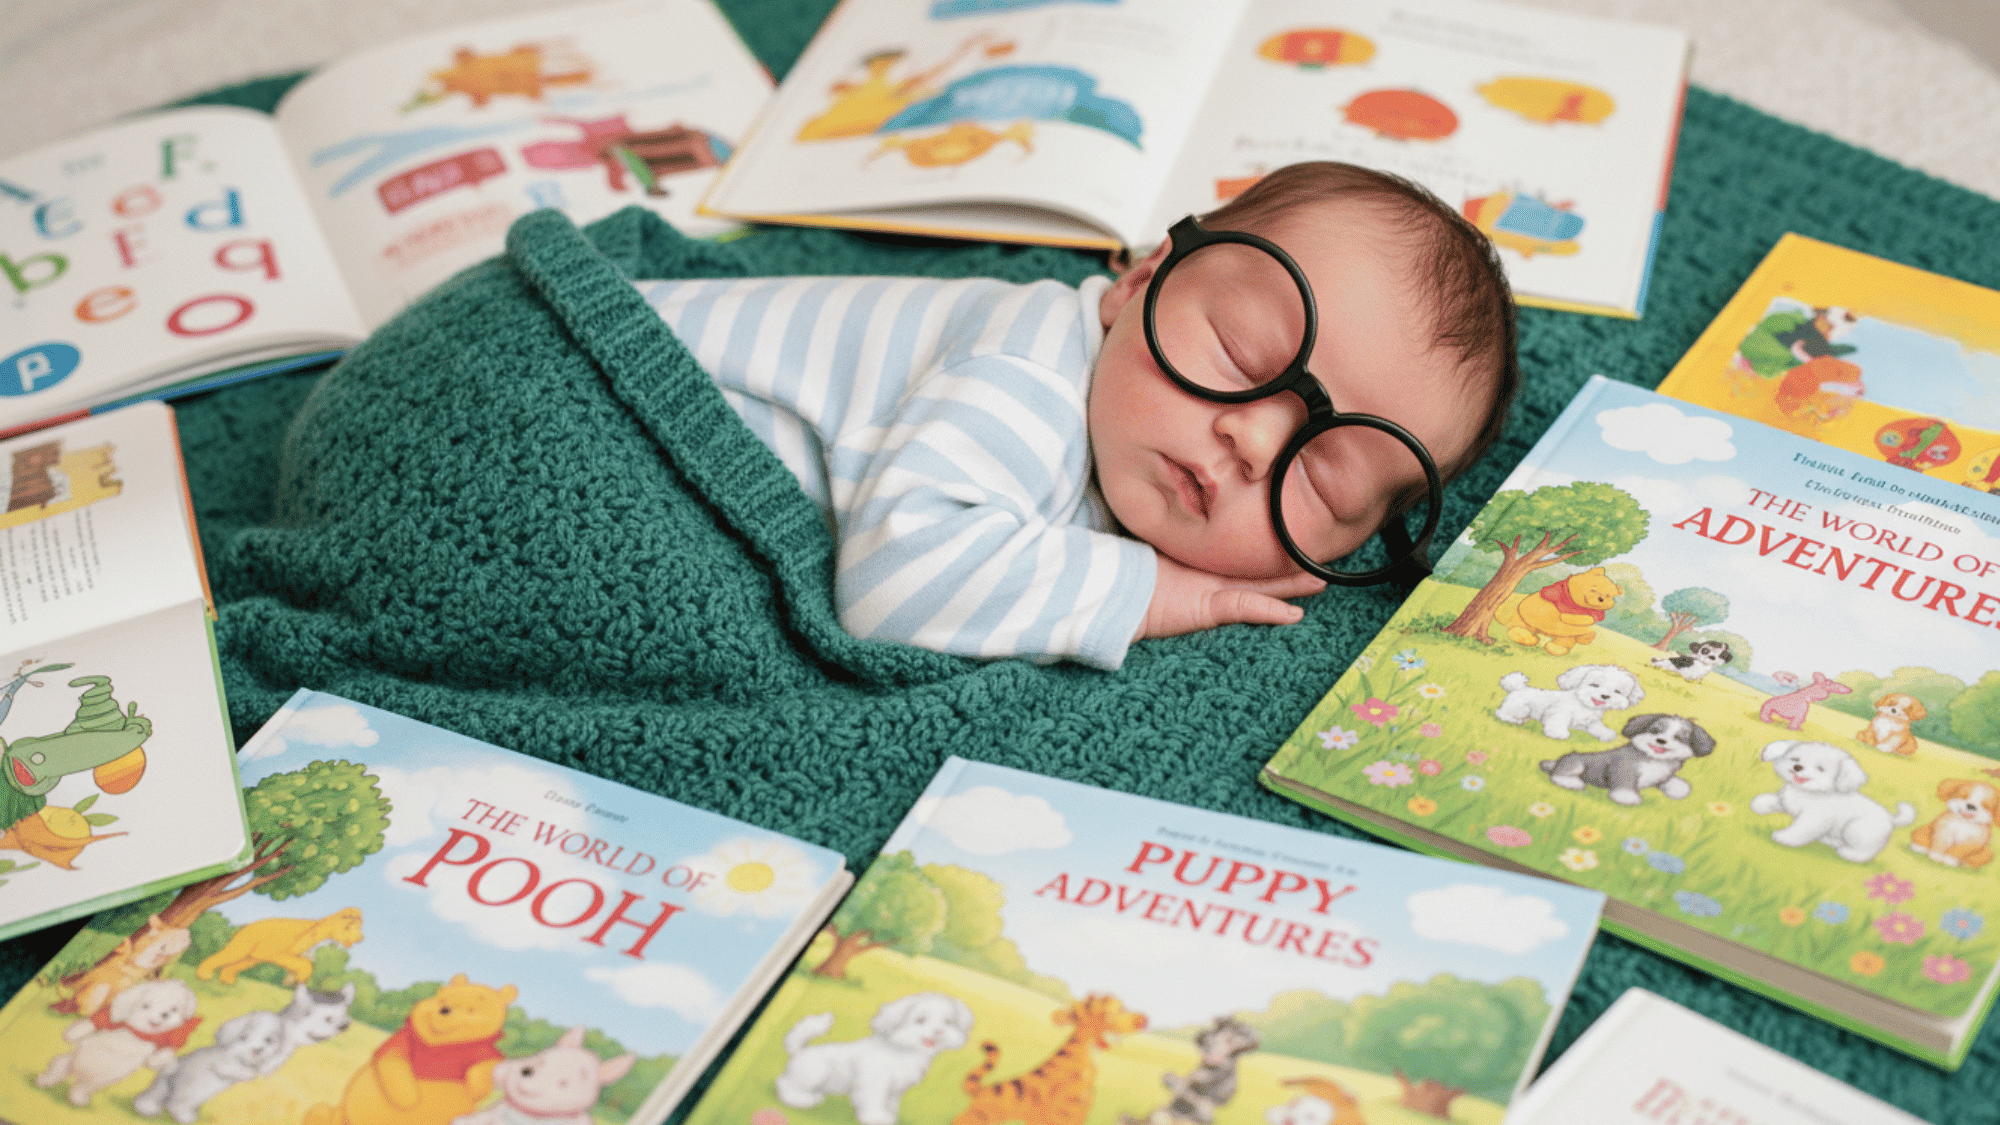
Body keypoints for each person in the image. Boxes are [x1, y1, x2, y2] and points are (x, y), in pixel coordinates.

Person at [633, 162, 1518, 670]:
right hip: (615, 381)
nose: (1252, 440)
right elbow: (897, 587)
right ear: (1138, 279)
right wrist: (1152, 590)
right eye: (1244, 357)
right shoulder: (1028, 369)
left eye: (1323, 473)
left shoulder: (1116, 421)